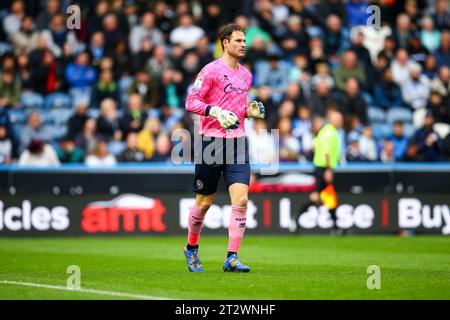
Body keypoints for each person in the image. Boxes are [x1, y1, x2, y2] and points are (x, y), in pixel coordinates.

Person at [183, 23, 265, 273]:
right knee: (205, 202)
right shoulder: (210, 71)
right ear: (225, 43)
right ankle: (191, 248)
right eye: (238, 40)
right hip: (211, 143)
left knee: (241, 200)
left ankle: (232, 257)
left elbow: (237, 110)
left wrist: (248, 112)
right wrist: (213, 110)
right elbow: (190, 101)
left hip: (238, 143)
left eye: (244, 41)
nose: (243, 44)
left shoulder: (246, 75)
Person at [290, 107, 343, 234]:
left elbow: (313, 146)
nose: (341, 121)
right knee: (318, 197)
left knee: (327, 197)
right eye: (339, 119)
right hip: (324, 168)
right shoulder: (330, 132)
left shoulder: (323, 131)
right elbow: (326, 151)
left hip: (320, 167)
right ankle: (296, 218)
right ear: (332, 120)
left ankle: (336, 227)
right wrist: (329, 169)